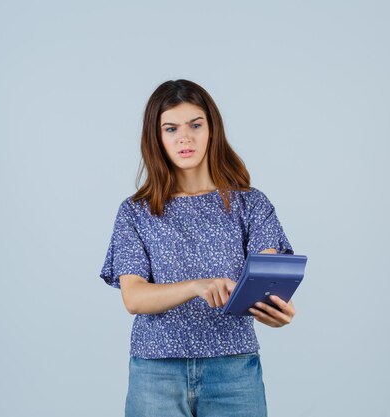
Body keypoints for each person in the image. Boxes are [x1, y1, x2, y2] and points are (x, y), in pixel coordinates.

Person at [99, 79, 297, 417]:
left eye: (195, 125)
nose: (184, 137)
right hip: (156, 370)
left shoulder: (251, 205)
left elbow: (267, 281)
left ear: (212, 130)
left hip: (233, 369)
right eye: (171, 128)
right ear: (156, 138)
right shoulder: (136, 211)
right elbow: (134, 298)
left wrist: (276, 312)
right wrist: (196, 286)